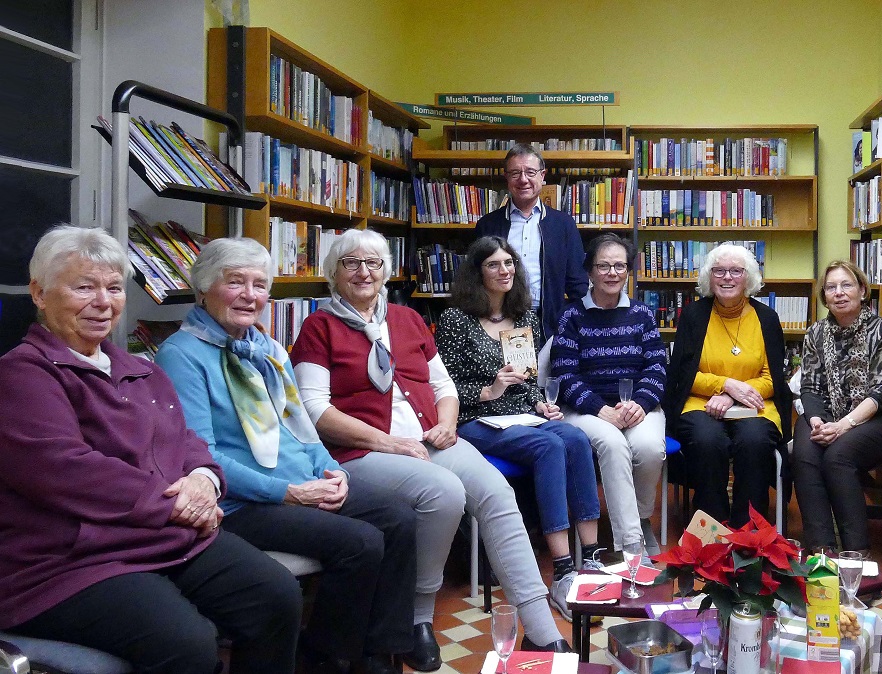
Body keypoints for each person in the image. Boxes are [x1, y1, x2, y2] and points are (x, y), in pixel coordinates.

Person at [0, 226, 300, 674]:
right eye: (84, 287)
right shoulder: (22, 374)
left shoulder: (137, 368)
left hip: (162, 537)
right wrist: (177, 504)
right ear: (40, 294)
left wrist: (205, 480)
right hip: (69, 562)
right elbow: (66, 470)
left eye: (114, 287)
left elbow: (187, 440)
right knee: (188, 644)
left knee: (275, 596)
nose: (103, 302)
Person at [289, 229, 572, 653]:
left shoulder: (407, 319)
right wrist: (389, 443)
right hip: (362, 452)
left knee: (497, 493)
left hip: (431, 438)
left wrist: (446, 422)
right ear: (335, 272)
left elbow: (444, 385)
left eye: (374, 263)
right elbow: (316, 411)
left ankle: (541, 630)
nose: (364, 272)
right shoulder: (319, 327)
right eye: (352, 263)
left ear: (386, 271)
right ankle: (418, 616)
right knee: (443, 492)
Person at [155, 238, 416, 674]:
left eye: (259, 285)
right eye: (235, 282)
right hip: (243, 501)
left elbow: (303, 429)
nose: (249, 295)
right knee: (360, 541)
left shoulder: (268, 349)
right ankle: (325, 658)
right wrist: (290, 492)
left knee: (399, 516)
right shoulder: (181, 355)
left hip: (302, 482)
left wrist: (333, 473)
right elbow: (203, 456)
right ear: (203, 289)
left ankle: (377, 651)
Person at [435, 235, 603, 622]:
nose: (504, 271)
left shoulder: (524, 315)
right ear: (478, 273)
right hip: (474, 418)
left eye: (509, 263)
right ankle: (562, 568)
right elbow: (442, 385)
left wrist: (540, 403)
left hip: (522, 414)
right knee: (548, 448)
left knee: (575, 438)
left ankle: (591, 556)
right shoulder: (456, 320)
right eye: (493, 264)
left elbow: (527, 379)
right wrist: (491, 389)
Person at [552, 233, 670, 555]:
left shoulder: (643, 314)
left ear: (628, 271)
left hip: (637, 405)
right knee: (614, 444)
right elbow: (564, 373)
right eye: (603, 266)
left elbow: (658, 367)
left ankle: (642, 517)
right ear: (589, 272)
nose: (612, 273)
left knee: (647, 447)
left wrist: (642, 404)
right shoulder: (571, 316)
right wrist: (599, 408)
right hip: (587, 410)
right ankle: (632, 546)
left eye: (620, 266)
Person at [662, 243, 792, 528]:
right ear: (709, 277)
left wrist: (734, 397)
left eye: (736, 271)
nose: (727, 277)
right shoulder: (694, 316)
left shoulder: (766, 319)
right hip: (700, 402)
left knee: (754, 440)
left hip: (756, 404)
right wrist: (725, 386)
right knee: (708, 440)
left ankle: (750, 527)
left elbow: (773, 380)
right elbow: (682, 375)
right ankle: (712, 524)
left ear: (749, 278)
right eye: (719, 271)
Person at [793, 260, 882, 555]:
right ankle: (822, 551)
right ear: (824, 296)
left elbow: (881, 392)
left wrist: (843, 426)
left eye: (846, 285)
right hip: (827, 415)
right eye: (831, 287)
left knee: (837, 456)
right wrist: (817, 421)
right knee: (805, 451)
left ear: (863, 290)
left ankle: (856, 555)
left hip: (878, 419)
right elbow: (810, 387)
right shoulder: (815, 334)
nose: (839, 293)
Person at [475, 143, 589, 342]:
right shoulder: (488, 225)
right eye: (515, 173)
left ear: (542, 176)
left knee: (547, 374)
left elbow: (578, 285)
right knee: (507, 375)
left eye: (530, 172)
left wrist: (570, 326)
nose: (523, 180)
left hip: (550, 326)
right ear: (506, 178)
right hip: (499, 324)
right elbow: (475, 279)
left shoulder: (563, 225)